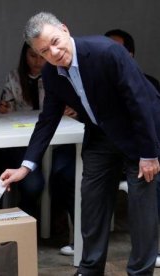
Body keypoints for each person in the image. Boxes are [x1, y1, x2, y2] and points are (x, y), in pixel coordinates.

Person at [0, 12, 160, 275]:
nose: (53, 52)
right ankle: (89, 269)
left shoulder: (107, 52)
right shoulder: (51, 73)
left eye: (55, 41)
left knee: (141, 209)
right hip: (100, 135)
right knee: (92, 202)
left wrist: (149, 154)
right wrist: (25, 167)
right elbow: (47, 120)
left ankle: (140, 272)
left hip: (139, 134)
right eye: (44, 51)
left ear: (64, 29)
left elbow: (139, 102)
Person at [0, 41, 77, 256]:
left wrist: (73, 109)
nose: (37, 61)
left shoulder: (60, 75)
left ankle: (72, 231)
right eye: (32, 56)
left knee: (65, 174)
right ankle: (24, 233)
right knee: (32, 183)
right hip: (24, 142)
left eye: (41, 56)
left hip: (58, 140)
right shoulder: (14, 77)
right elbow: (5, 107)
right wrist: (3, 108)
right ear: (24, 56)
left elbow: (74, 105)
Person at [105, 28, 160, 268]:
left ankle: (149, 252)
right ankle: (84, 248)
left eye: (117, 51)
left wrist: (149, 155)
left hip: (143, 154)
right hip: (105, 154)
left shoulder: (148, 83)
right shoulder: (97, 84)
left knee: (152, 179)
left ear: (130, 55)